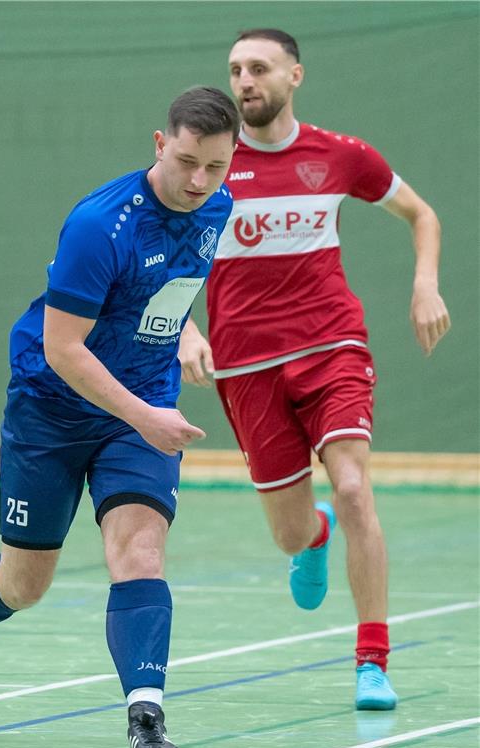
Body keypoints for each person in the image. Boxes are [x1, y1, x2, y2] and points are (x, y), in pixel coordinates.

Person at [0, 86, 240, 748]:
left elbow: (156, 288)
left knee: (139, 552)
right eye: (186, 161)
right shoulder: (98, 225)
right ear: (159, 145)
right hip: (54, 408)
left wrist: (185, 332)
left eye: (214, 166)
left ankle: (146, 715)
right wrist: (145, 416)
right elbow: (62, 347)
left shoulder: (217, 207)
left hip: (141, 406)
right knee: (25, 584)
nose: (198, 181)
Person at [179, 29, 451, 710]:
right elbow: (160, 253)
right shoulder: (210, 167)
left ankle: (371, 662)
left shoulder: (338, 155)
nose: (244, 81)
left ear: (293, 75)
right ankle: (315, 536)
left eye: (259, 68)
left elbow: (421, 215)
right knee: (289, 532)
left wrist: (424, 285)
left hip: (331, 346)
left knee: (355, 485)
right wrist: (184, 329)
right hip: (247, 367)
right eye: (235, 69)